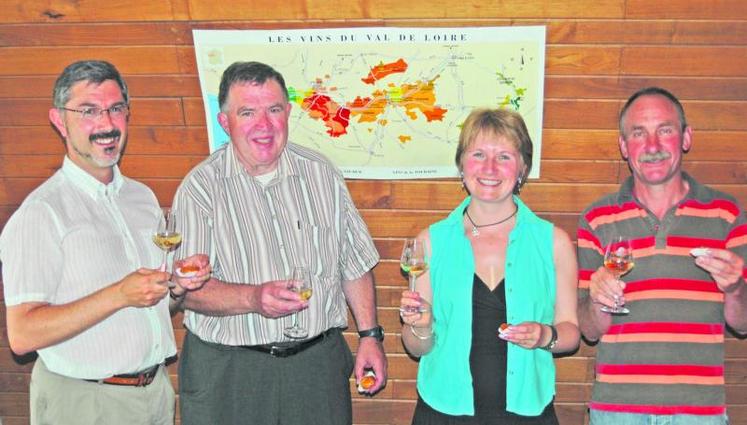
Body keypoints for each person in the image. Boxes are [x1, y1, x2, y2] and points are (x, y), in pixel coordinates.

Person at [172, 61, 386, 425]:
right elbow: (186, 293)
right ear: (225, 122)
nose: (264, 125)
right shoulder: (199, 189)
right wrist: (253, 298)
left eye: (273, 110)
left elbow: (354, 263)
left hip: (316, 367)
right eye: (247, 112)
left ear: (288, 112)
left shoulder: (322, 174)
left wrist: (370, 335)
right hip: (230, 373)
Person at [0, 60, 210, 425]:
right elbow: (22, 335)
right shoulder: (41, 213)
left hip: (154, 393)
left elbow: (152, 301)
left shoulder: (141, 198)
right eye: (88, 111)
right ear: (58, 120)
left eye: (115, 109)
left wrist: (176, 285)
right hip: (83, 401)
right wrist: (119, 294)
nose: (107, 125)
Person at [577, 87, 747, 425]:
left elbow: (742, 324)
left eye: (665, 130)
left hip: (699, 412)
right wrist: (597, 299)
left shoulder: (728, 214)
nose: (652, 146)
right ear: (624, 147)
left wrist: (735, 288)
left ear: (685, 138)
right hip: (616, 411)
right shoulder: (596, 218)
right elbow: (588, 330)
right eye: (639, 133)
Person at [400, 108, 580, 424]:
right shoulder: (430, 242)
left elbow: (570, 333)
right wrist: (421, 325)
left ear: (523, 167)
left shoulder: (554, 242)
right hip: (443, 412)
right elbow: (417, 348)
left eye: (505, 157)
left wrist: (543, 336)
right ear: (461, 164)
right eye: (478, 154)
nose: (490, 168)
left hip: (527, 415)